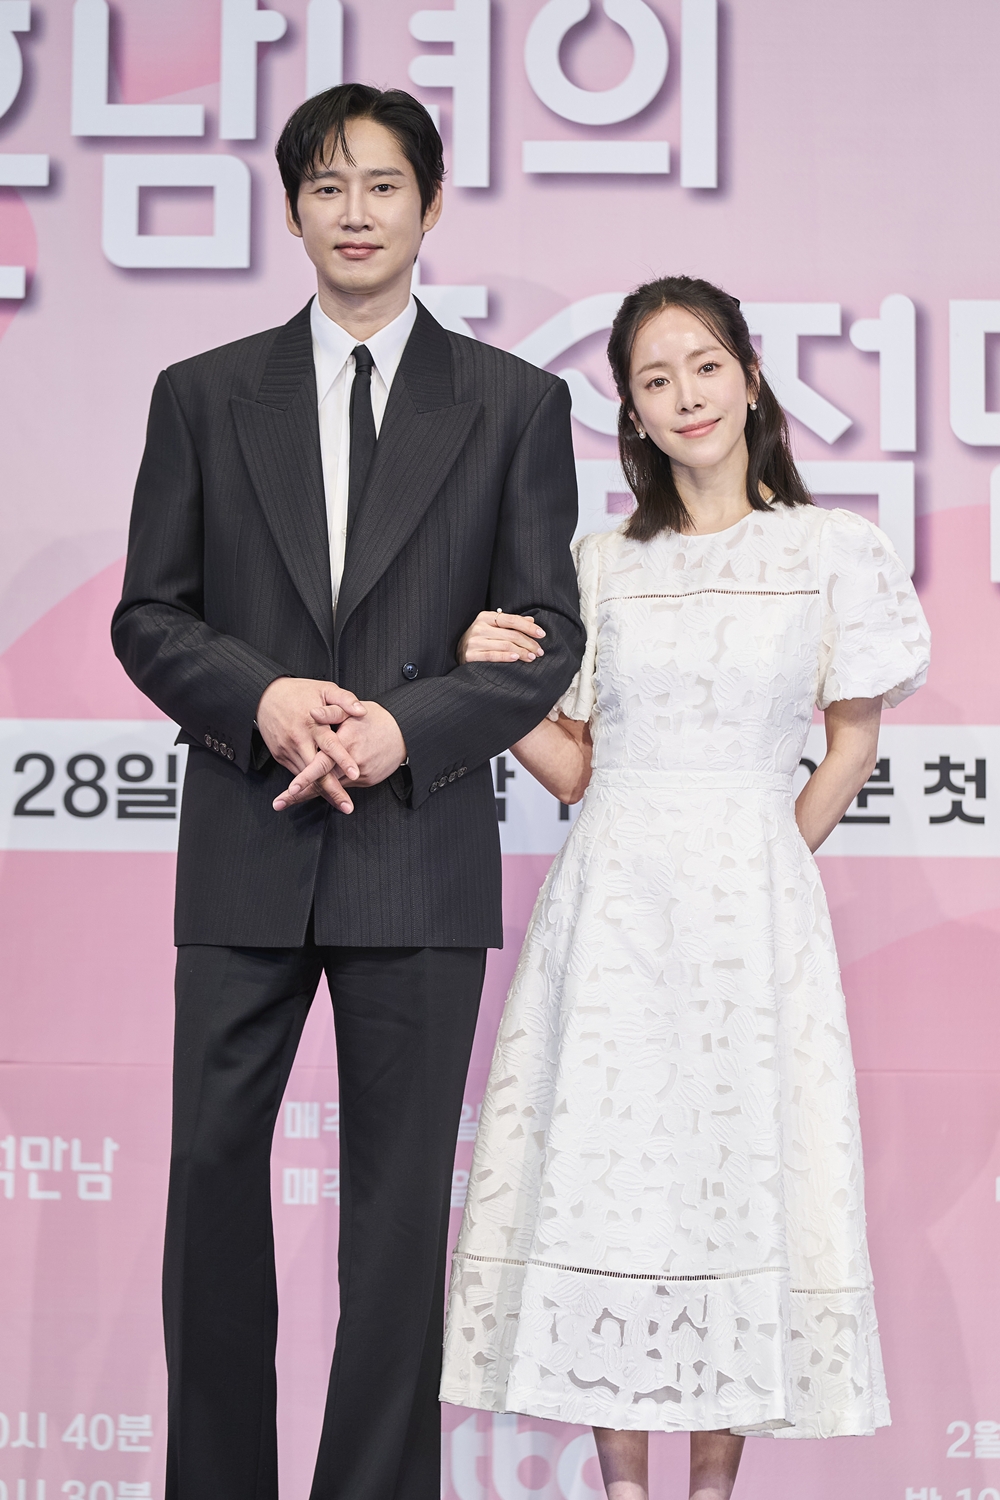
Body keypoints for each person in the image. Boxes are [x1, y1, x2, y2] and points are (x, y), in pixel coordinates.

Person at [111, 84, 583, 1500]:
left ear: (431, 206)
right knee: (210, 1184)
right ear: (293, 209)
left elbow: (547, 633)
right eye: (327, 186)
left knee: (395, 1226)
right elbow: (149, 614)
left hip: (414, 846)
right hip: (245, 839)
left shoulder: (513, 403)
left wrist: (404, 727)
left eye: (384, 186)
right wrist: (259, 698)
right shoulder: (203, 394)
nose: (356, 212)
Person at [439, 275, 931, 1500]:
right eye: (654, 380)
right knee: (611, 1181)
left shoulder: (830, 551)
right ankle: (623, 1488)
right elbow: (576, 765)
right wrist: (490, 688)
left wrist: (766, 863)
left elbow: (849, 745)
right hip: (611, 908)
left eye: (704, 366)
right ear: (632, 412)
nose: (685, 396)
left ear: (750, 378)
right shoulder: (600, 566)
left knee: (733, 1181)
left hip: (751, 912)